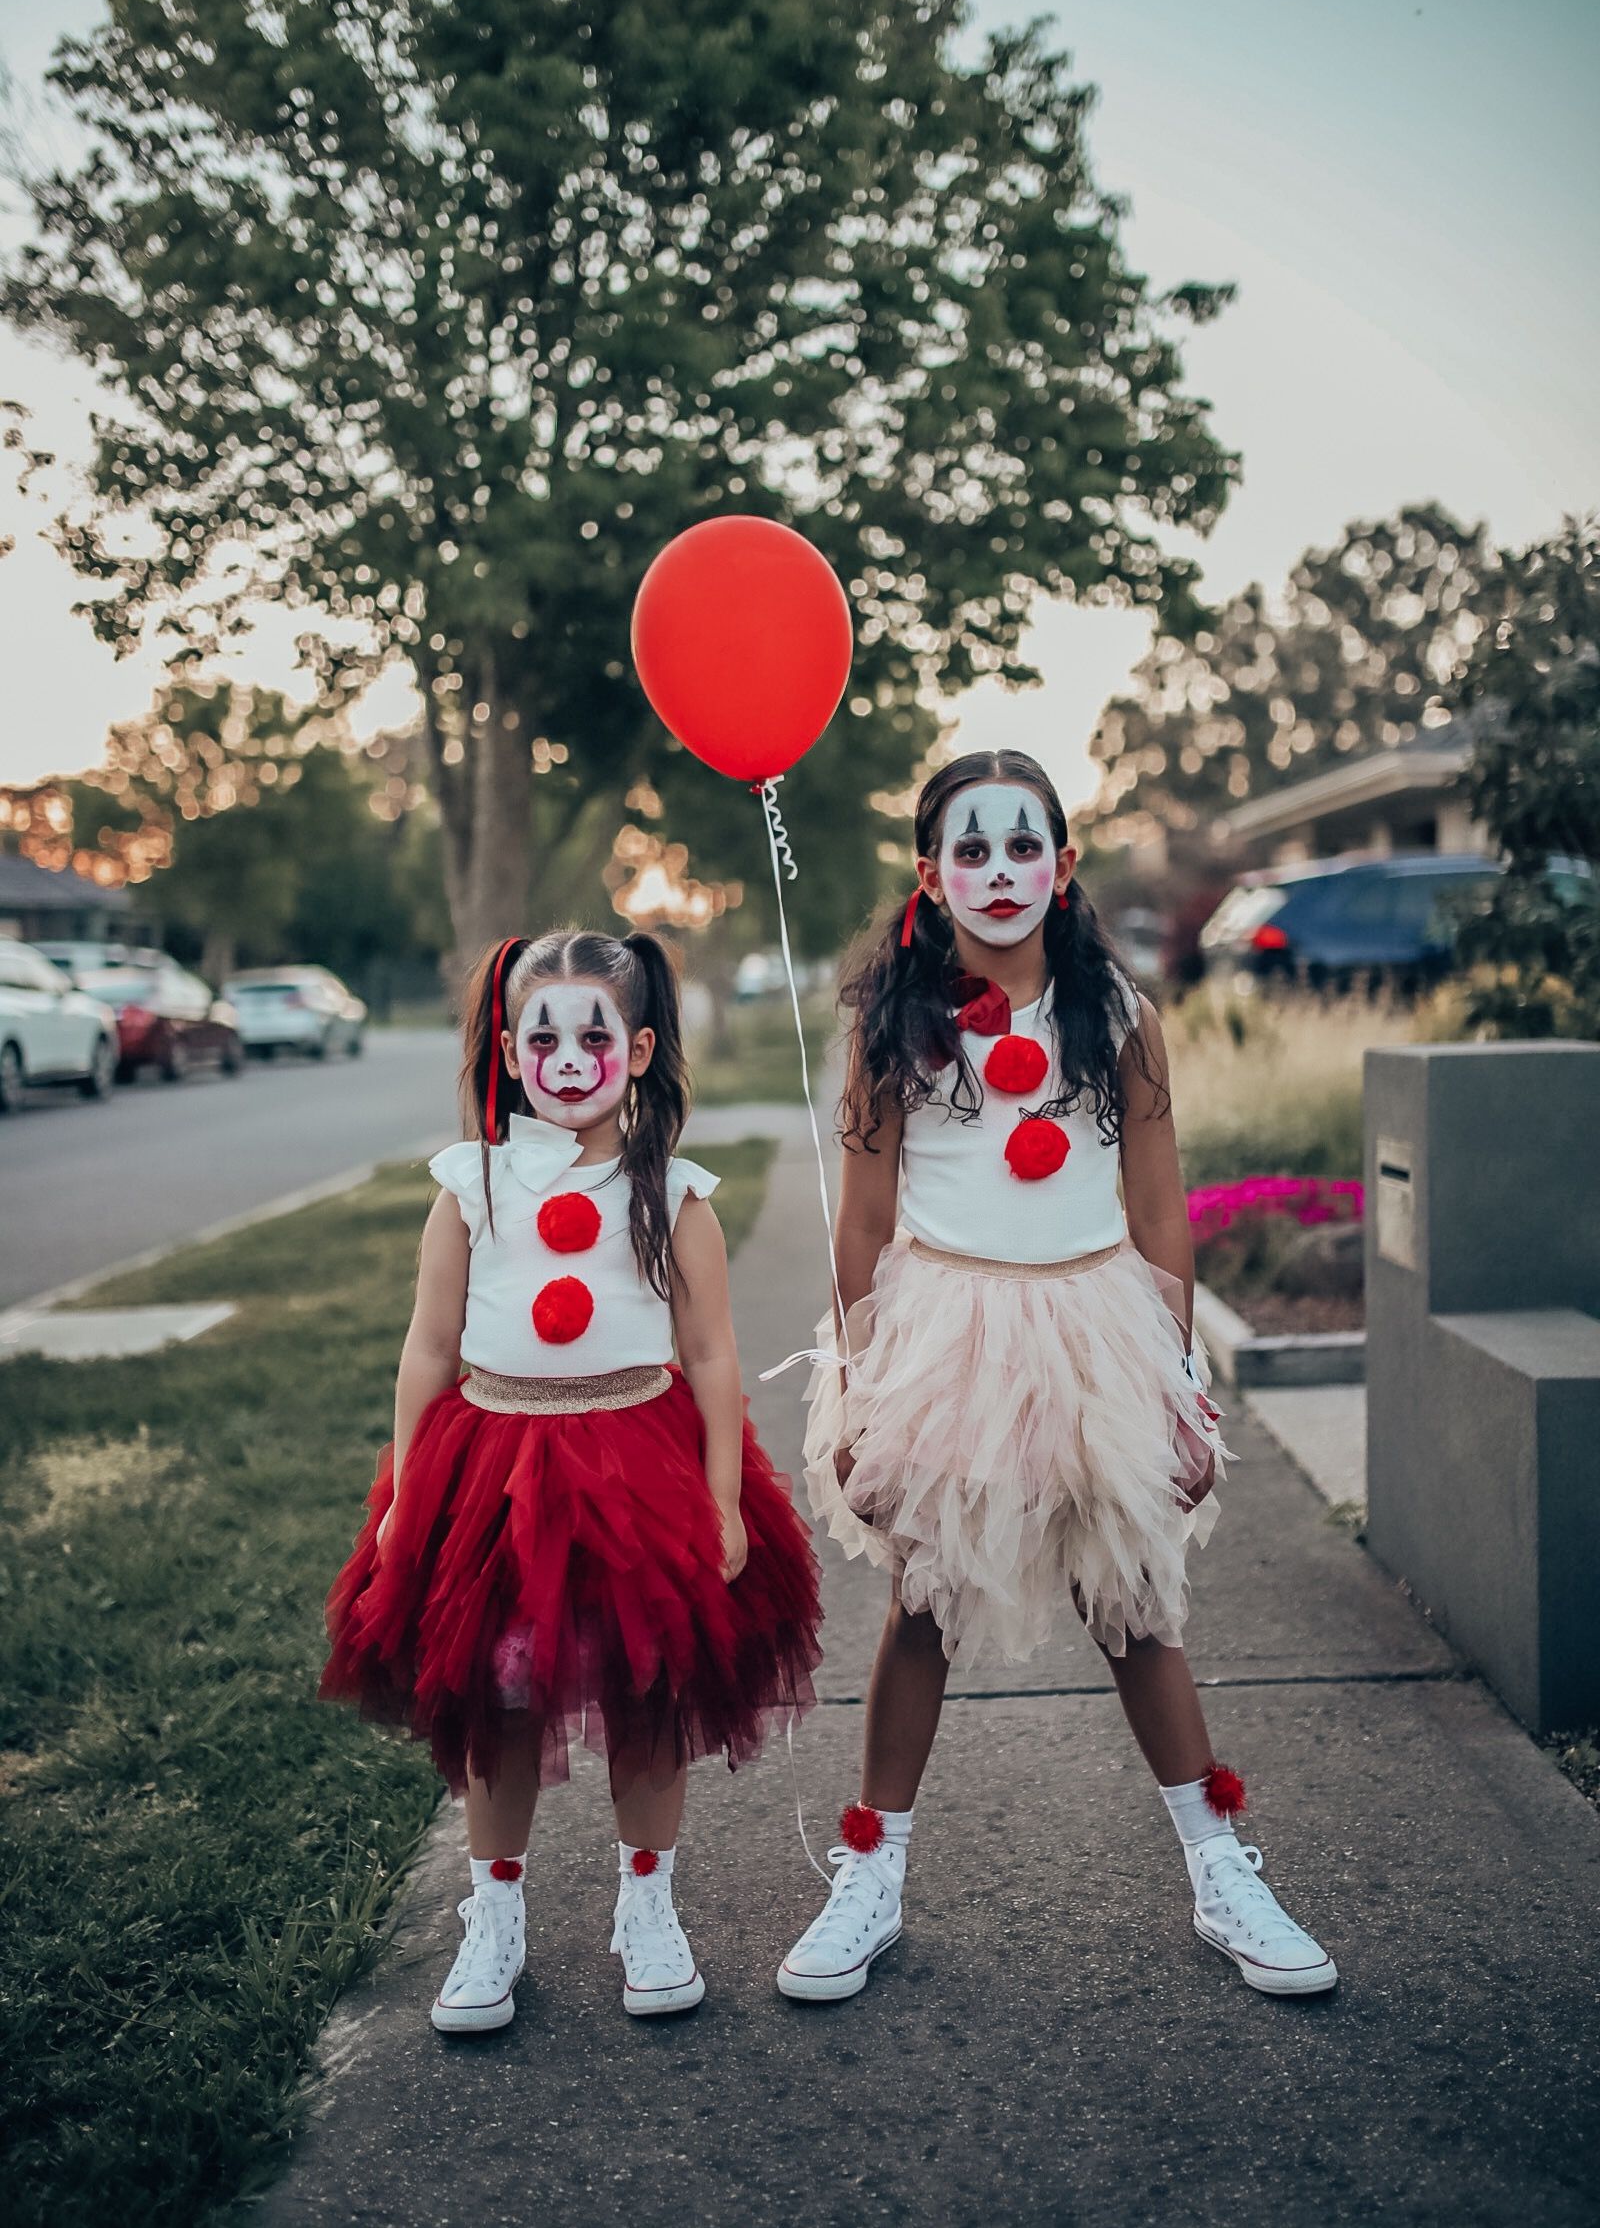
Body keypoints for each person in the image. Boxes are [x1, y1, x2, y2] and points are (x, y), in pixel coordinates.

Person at [780, 750, 1335, 2004]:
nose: (997, 872)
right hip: (946, 1332)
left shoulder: (1117, 1020)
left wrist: (1178, 1378)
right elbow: (862, 1223)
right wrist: (861, 1391)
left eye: (1021, 846)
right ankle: (871, 1871)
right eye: (968, 851)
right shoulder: (893, 1029)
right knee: (921, 1604)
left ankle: (1217, 1865)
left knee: (1133, 1600)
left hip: (1093, 1326)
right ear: (929, 876)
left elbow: (1159, 1209)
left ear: (1063, 866)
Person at [322, 929, 822, 2034]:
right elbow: (426, 1344)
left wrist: (725, 1496)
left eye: (593, 1032)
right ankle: (493, 1913)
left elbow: (710, 1354)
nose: (565, 1054)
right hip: (495, 1466)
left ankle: (647, 1902)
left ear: (638, 1050)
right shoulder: (469, 1186)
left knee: (648, 1686)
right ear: (507, 1049)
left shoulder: (674, 1196)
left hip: (637, 1464)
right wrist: (408, 1486)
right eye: (540, 1035)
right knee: (499, 1691)